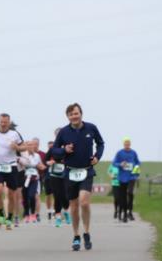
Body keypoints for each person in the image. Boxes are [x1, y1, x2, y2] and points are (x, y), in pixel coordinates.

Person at [52, 103, 105, 251]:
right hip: (70, 172)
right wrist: (64, 150)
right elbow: (55, 151)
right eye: (71, 114)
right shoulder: (63, 132)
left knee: (84, 202)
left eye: (76, 113)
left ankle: (86, 232)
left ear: (81, 114)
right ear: (68, 117)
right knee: (74, 207)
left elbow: (100, 143)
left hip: (87, 171)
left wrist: (97, 157)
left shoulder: (91, 128)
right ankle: (76, 236)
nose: (74, 116)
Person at [0, 113, 26, 230]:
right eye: (1, 122)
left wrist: (17, 147)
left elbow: (24, 147)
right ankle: (1, 215)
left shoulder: (14, 134)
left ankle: (9, 218)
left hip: (11, 166)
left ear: (9, 123)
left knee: (11, 195)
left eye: (5, 122)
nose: (3, 124)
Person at [112, 138, 142, 223]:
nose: (127, 145)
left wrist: (136, 172)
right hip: (122, 178)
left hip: (131, 177)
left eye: (128, 143)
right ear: (123, 144)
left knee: (130, 193)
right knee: (122, 196)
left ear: (130, 144)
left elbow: (138, 163)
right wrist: (120, 164)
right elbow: (114, 163)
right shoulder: (119, 153)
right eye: (125, 143)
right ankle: (124, 214)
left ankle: (130, 212)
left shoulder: (133, 153)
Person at [45, 132, 70, 227]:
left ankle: (66, 211)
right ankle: (58, 216)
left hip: (66, 174)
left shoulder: (69, 147)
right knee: (57, 195)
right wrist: (49, 162)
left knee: (65, 195)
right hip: (54, 174)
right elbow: (45, 159)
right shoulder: (53, 148)